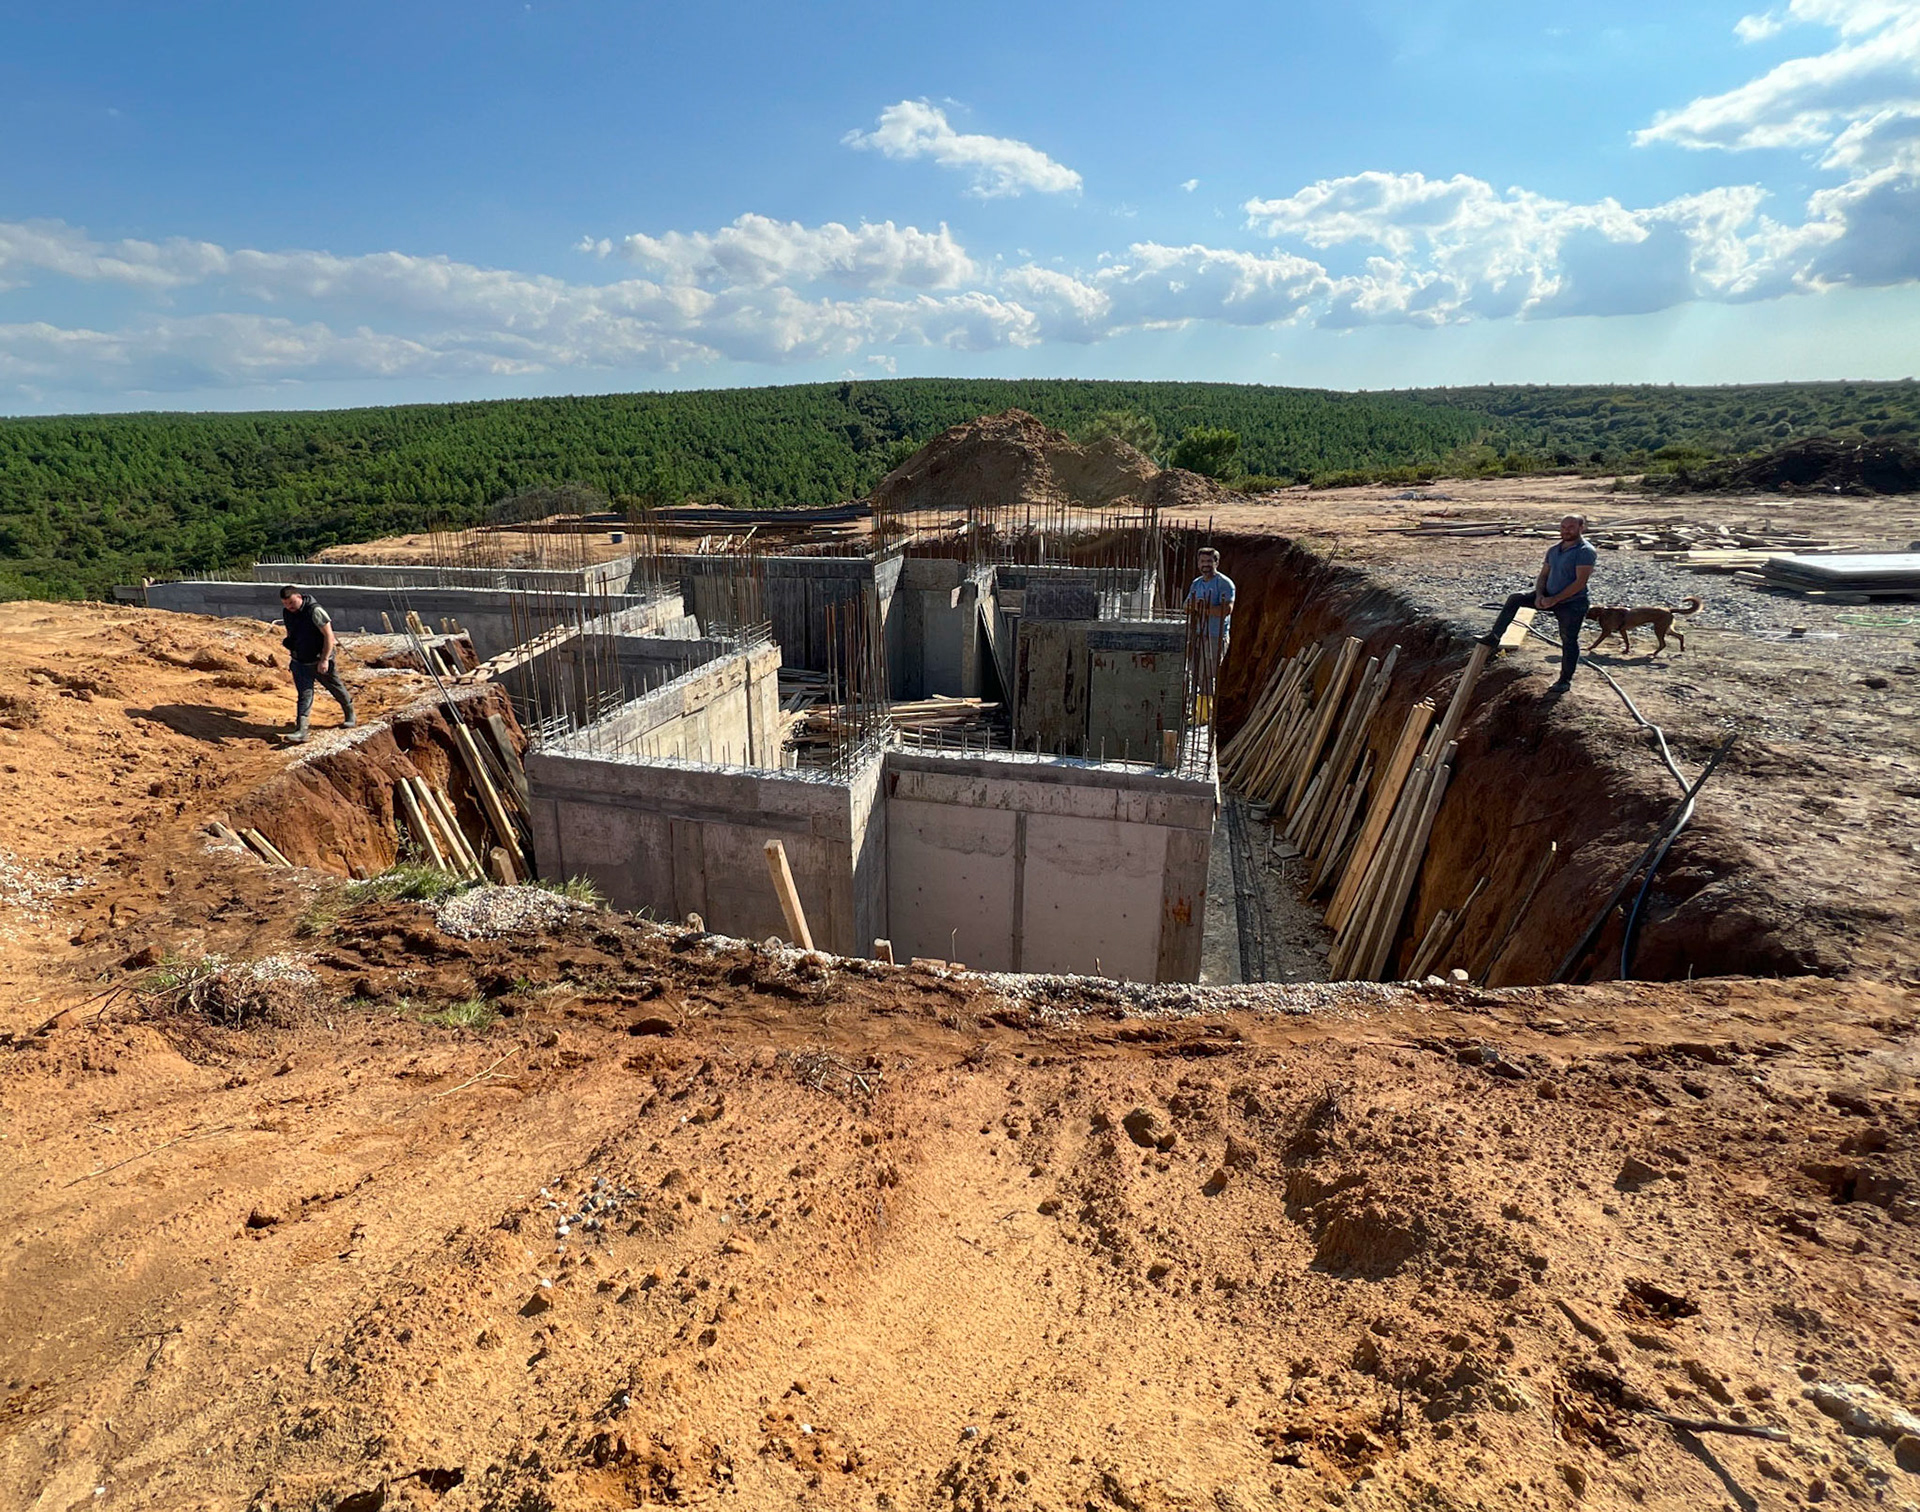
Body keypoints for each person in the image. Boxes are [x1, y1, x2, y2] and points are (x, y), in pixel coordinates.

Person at [1479, 515, 1597, 693]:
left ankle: (1564, 680)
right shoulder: (1554, 550)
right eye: (1563, 526)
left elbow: (1580, 582)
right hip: (1549, 595)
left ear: (1581, 527)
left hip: (1572, 602)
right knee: (1516, 598)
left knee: (1569, 640)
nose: (1566, 530)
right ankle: (1495, 636)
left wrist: (1554, 599)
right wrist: (1539, 595)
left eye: (1571, 527)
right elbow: (1543, 576)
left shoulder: (1585, 551)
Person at [277, 585, 355, 743]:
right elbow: (293, 633)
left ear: (299, 597)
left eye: (291, 602)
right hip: (300, 661)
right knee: (304, 695)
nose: (289, 607)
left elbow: (329, 636)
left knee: (335, 687)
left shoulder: (315, 611)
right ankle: (301, 730)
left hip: (319, 659)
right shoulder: (288, 613)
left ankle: (350, 714)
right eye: (285, 604)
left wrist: (325, 659)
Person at [1185, 547, 1235, 723]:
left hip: (1214, 636)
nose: (1205, 565)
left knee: (1207, 675)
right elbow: (1187, 606)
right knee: (1195, 673)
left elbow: (1226, 610)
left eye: (1209, 562)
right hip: (1198, 635)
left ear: (1216, 562)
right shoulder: (1197, 583)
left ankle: (1205, 715)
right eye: (1202, 562)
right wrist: (1200, 607)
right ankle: (1196, 711)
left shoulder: (1224, 584)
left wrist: (1203, 608)